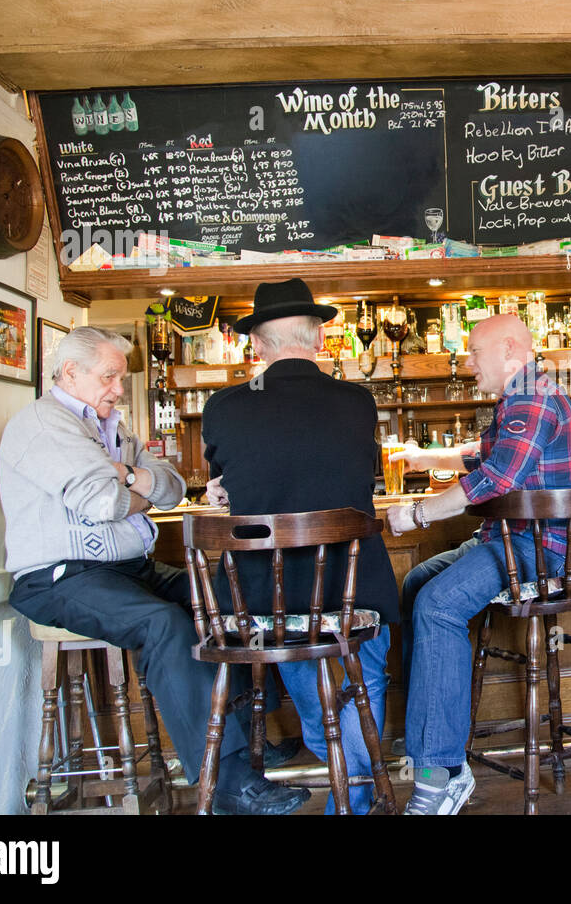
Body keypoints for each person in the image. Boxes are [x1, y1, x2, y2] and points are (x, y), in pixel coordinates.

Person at [0, 326, 305, 814]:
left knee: (231, 594)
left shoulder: (112, 428)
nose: (119, 389)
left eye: (119, 378)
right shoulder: (45, 425)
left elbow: (173, 486)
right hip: (60, 577)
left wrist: (125, 476)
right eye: (109, 377)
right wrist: (130, 483)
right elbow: (101, 501)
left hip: (126, 568)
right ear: (71, 372)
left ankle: (249, 740)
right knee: (164, 623)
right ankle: (225, 782)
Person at [202, 277, 400, 815]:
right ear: (317, 340)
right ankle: (355, 792)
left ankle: (339, 761)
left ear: (257, 346)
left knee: (295, 646)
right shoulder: (358, 402)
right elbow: (368, 477)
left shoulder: (223, 407)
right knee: (367, 668)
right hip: (355, 593)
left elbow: (225, 481)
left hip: (264, 604)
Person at [386, 313, 571, 815]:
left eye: (474, 353)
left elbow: (498, 476)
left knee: (437, 606)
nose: (466, 363)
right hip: (512, 540)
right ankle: (429, 729)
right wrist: (421, 458)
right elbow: (479, 455)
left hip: (543, 552)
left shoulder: (533, 399)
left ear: (508, 350)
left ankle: (441, 773)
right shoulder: (519, 401)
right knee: (417, 583)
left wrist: (417, 513)